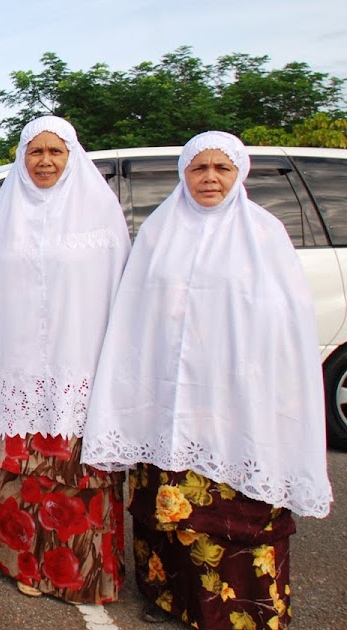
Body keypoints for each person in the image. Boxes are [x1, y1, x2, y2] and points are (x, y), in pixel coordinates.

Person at [82, 131, 333, 628]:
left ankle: (241, 611)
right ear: (184, 174)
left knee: (234, 508)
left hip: (237, 397)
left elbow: (287, 325)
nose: (210, 177)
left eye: (222, 168)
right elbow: (136, 316)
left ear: (239, 173)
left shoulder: (263, 234)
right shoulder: (159, 230)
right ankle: (169, 597)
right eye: (200, 168)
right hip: (169, 398)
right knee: (169, 507)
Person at [0, 116, 131, 604]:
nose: (45, 161)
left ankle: (83, 574)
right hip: (18, 369)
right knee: (25, 478)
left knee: (77, 478)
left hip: (79, 367)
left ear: (73, 157)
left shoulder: (99, 213)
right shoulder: (8, 216)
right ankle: (24, 564)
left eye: (55, 152)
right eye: (35, 153)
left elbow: (118, 295)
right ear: (22, 159)